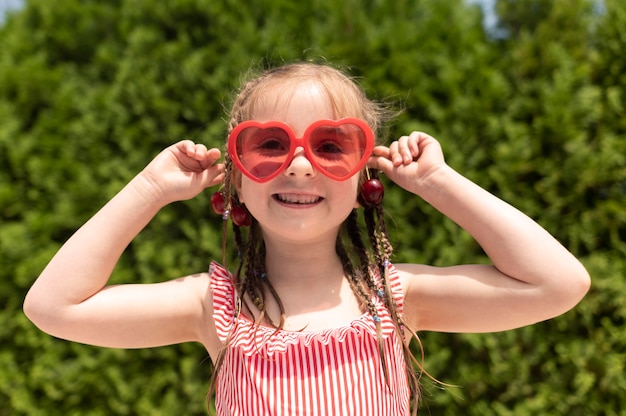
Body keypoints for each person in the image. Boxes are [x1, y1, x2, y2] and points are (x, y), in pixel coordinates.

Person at [23, 63, 590, 415]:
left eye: (331, 146)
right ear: (235, 179)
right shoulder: (214, 308)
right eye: (269, 144)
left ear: (366, 174)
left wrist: (440, 183)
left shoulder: (397, 298)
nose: (298, 166)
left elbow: (558, 284)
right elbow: (53, 308)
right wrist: (148, 188)